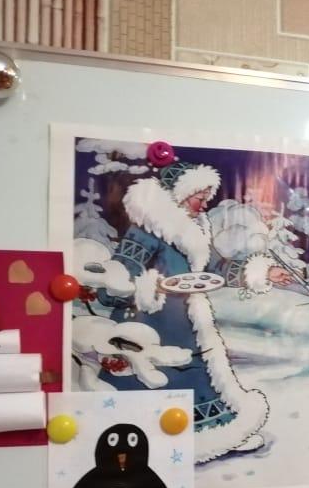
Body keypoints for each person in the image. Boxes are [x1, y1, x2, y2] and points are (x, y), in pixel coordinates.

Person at [74, 161, 286, 463]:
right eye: (201, 196)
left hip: (188, 319)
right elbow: (123, 273)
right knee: (157, 372)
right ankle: (146, 439)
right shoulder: (147, 230)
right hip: (151, 320)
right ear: (181, 194)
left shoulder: (196, 230)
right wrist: (143, 286)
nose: (205, 203)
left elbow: (216, 268)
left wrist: (264, 272)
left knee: (200, 370)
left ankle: (214, 435)